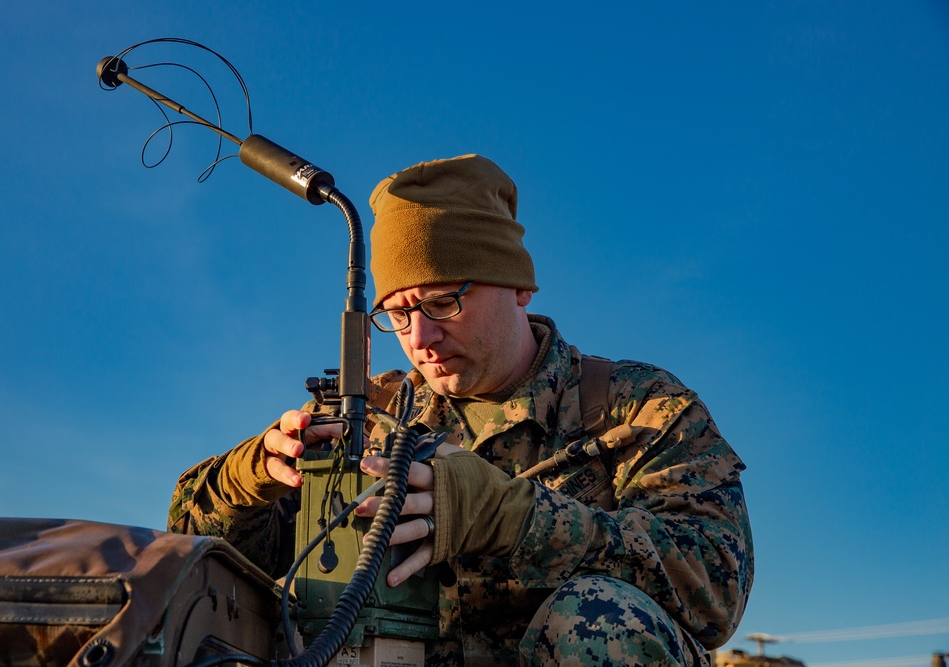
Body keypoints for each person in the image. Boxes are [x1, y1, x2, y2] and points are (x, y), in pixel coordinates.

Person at [168, 154, 754, 666]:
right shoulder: (368, 416)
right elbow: (193, 554)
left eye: (443, 301)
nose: (419, 337)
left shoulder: (637, 407)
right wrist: (247, 479)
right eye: (396, 314)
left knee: (598, 619)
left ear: (517, 286)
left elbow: (712, 591)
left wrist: (516, 518)